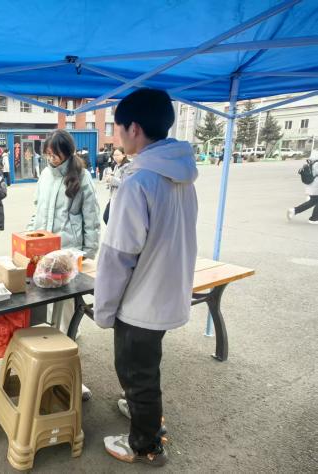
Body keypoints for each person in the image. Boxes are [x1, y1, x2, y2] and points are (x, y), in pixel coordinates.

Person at [93, 88, 198, 466]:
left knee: (136, 371)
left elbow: (117, 256)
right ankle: (145, 412)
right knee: (146, 365)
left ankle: (146, 444)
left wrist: (103, 309)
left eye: (118, 127)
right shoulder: (182, 175)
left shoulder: (139, 182)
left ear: (134, 128)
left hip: (142, 301)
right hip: (169, 290)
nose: (116, 135)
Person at [27, 129, 100, 334]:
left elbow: (91, 216)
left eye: (55, 154)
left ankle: (68, 334)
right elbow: (37, 209)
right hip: (43, 244)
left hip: (68, 247)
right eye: (48, 154)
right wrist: (29, 235)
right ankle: (55, 330)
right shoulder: (45, 175)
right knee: (45, 288)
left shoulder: (82, 176)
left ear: (68, 151)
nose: (51, 158)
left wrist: (89, 250)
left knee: (66, 294)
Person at [287, 150, 318, 224]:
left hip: (312, 186)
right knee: (313, 201)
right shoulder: (317, 164)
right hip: (316, 186)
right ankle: (314, 219)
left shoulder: (311, 162)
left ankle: (294, 211)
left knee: (313, 202)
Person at [102, 146, 131, 225]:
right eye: (114, 155)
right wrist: (109, 180)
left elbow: (125, 182)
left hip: (121, 198)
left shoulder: (128, 167)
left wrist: (112, 179)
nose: (115, 157)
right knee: (107, 217)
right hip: (113, 196)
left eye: (117, 155)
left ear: (124, 155)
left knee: (109, 218)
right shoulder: (116, 166)